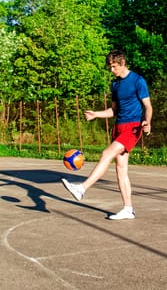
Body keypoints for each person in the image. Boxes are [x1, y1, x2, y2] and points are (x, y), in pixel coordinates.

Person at [61, 49, 153, 220]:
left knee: (106, 153)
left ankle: (82, 188)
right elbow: (114, 110)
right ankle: (128, 209)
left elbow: (148, 106)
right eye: (110, 67)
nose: (112, 70)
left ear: (123, 63)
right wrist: (96, 114)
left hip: (133, 128)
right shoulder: (115, 85)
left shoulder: (138, 81)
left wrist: (147, 122)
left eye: (114, 66)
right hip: (118, 127)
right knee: (121, 169)